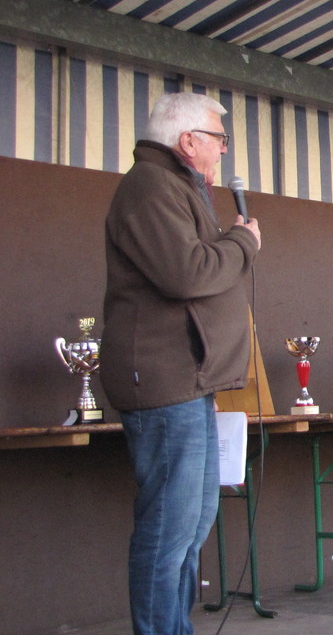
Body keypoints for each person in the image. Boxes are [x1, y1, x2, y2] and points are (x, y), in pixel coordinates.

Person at [101, 92, 262, 635]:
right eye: (219, 138)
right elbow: (187, 274)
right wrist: (242, 241)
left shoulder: (175, 186)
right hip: (165, 383)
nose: (224, 150)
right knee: (169, 529)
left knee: (191, 526)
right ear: (188, 140)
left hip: (189, 383)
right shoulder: (150, 186)